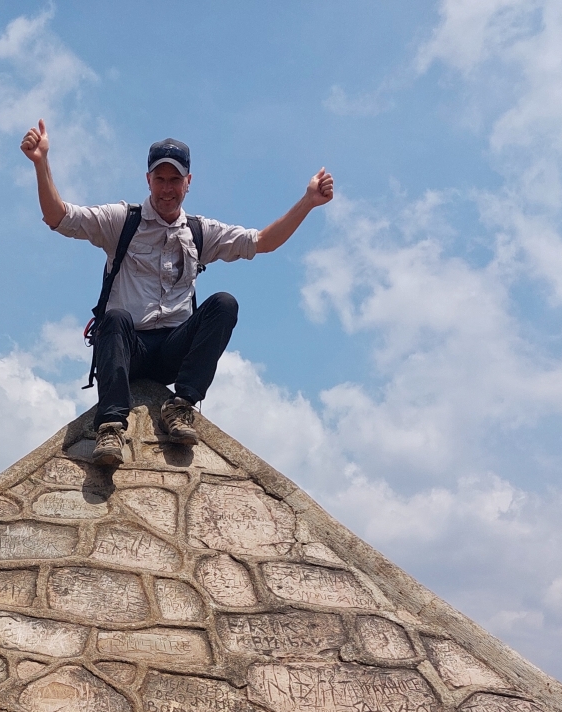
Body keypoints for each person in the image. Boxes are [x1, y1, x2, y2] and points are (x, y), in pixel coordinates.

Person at [21, 119, 333, 466]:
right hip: (129, 347)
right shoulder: (123, 220)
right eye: (160, 180)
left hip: (173, 350)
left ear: (188, 182)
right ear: (148, 180)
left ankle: (181, 407)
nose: (166, 189)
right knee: (113, 317)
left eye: (174, 180)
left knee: (224, 303)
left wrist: (308, 201)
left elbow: (263, 242)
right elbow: (58, 217)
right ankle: (110, 426)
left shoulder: (199, 232)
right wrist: (41, 162)